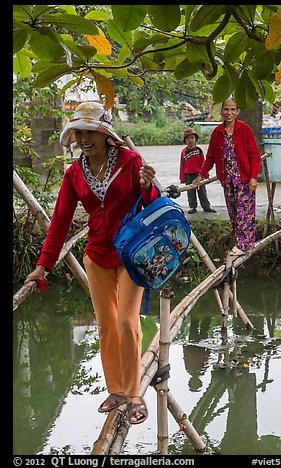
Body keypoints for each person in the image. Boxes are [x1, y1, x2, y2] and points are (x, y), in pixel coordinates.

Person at [24, 101, 159, 425]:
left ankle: (134, 393)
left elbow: (150, 204)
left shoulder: (129, 161)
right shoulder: (73, 174)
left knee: (128, 322)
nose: (85, 139)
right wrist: (44, 265)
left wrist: (147, 186)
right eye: (80, 132)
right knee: (106, 326)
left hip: (130, 255)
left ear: (105, 134)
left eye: (91, 132)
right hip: (97, 257)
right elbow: (59, 223)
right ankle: (116, 390)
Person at [193, 98, 261, 255]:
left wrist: (253, 177)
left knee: (245, 212)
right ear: (221, 112)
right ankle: (242, 243)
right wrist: (200, 175)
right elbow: (210, 158)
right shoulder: (217, 133)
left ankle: (244, 246)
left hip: (243, 179)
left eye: (233, 110)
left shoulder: (245, 129)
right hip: (228, 180)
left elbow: (254, 155)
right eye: (226, 109)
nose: (229, 113)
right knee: (234, 212)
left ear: (237, 111)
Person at [179, 128, 216, 214]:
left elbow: (203, 163)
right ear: (185, 141)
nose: (190, 140)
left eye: (192, 137)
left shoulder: (198, 150)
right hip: (188, 174)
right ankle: (192, 206)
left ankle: (206, 206)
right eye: (188, 138)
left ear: (195, 139)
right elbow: (182, 165)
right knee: (190, 192)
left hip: (198, 174)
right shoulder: (184, 152)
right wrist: (182, 178)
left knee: (202, 191)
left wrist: (205, 174)